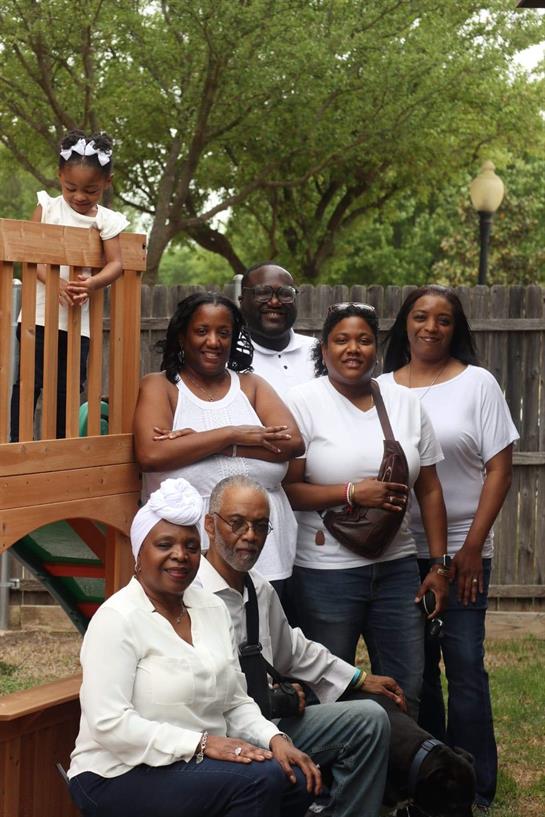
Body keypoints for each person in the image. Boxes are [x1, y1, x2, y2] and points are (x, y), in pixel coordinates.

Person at [67, 477, 320, 817]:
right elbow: (109, 724)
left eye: (190, 546)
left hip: (197, 765)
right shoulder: (117, 618)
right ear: (139, 553)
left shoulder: (211, 608)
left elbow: (235, 702)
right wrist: (202, 744)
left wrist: (276, 739)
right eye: (164, 545)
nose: (180, 556)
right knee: (260, 781)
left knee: (296, 779)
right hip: (117, 771)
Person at [380, 285, 519, 812]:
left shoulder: (478, 383)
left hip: (463, 550)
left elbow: (499, 469)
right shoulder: (380, 388)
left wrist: (472, 547)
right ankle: (433, 776)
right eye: (421, 317)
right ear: (405, 323)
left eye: (443, 319)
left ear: (455, 328)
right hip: (396, 552)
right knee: (416, 672)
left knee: (463, 666)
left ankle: (476, 786)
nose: (431, 328)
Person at [195, 474, 396, 817]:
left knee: (371, 719)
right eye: (237, 523)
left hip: (269, 726)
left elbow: (293, 650)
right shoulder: (188, 593)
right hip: (215, 738)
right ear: (210, 526)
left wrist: (359, 678)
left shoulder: (259, 590)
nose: (250, 536)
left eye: (260, 526)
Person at [283, 303, 449, 717]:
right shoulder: (301, 402)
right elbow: (289, 490)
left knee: (406, 686)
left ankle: (399, 759)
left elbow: (430, 489)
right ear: (324, 350)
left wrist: (439, 565)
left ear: (377, 348)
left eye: (364, 340)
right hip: (325, 572)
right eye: (341, 340)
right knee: (326, 690)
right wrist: (353, 492)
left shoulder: (405, 402)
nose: (353, 349)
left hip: (397, 569)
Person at [133, 292, 303, 594]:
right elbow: (151, 454)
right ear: (182, 337)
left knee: (263, 621)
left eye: (223, 333)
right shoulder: (161, 386)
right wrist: (232, 434)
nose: (213, 341)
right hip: (189, 556)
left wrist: (206, 444)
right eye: (202, 331)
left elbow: (293, 443)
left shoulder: (252, 385)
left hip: (266, 551)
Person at [10, 129, 128, 441]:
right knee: (29, 382)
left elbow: (116, 264)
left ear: (107, 183)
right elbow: (30, 257)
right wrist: (56, 282)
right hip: (37, 318)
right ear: (60, 176)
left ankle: (61, 443)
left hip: (78, 324)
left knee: (68, 387)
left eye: (91, 190)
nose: (79, 196)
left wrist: (92, 283)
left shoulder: (107, 220)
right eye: (71, 188)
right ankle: (16, 442)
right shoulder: (48, 207)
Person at [238, 262, 315, 397]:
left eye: (285, 293)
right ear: (242, 300)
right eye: (263, 293)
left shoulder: (319, 351)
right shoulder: (229, 358)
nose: (274, 302)